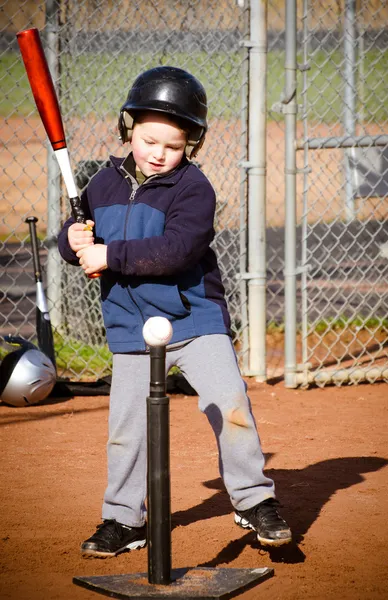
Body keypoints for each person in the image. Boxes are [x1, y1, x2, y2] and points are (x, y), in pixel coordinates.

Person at [58, 66, 292, 558]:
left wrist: (110, 256)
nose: (158, 153)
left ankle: (253, 499)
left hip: (193, 317)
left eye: (173, 144)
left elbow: (177, 250)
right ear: (129, 130)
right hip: (130, 326)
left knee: (231, 406)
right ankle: (124, 520)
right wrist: (73, 240)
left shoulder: (193, 188)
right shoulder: (101, 184)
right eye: (148, 140)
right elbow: (73, 240)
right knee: (126, 428)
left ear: (192, 144)